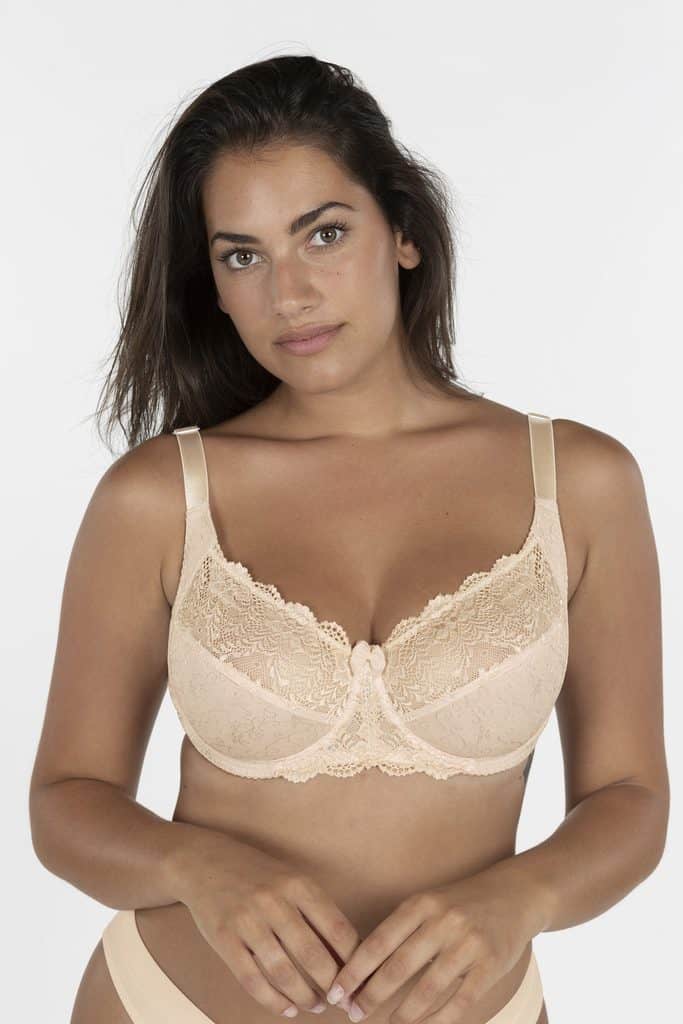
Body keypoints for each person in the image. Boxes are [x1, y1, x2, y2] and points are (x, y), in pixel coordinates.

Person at [28, 55, 668, 1024]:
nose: (288, 292)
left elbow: (628, 795)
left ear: (402, 233)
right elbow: (66, 799)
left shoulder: (576, 483)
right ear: (214, 283)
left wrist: (521, 897)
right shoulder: (160, 497)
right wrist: (194, 865)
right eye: (241, 256)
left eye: (322, 233)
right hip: (167, 1001)